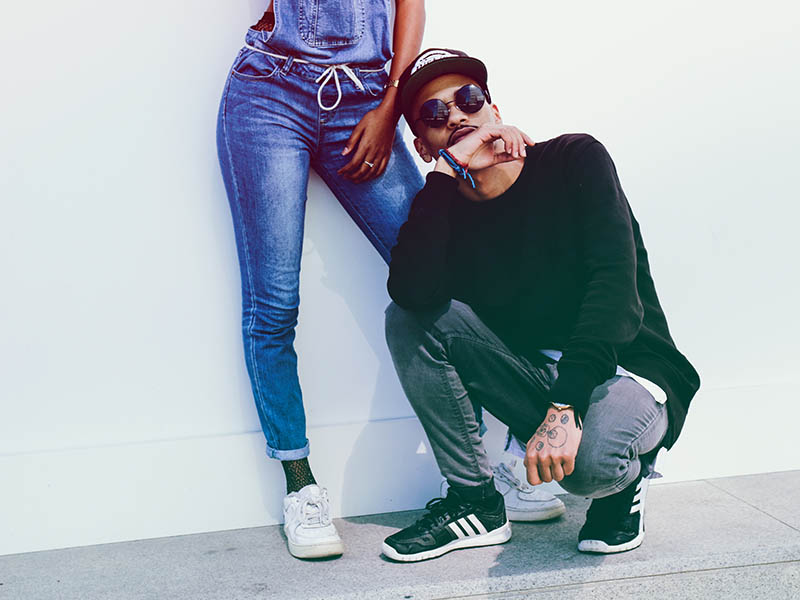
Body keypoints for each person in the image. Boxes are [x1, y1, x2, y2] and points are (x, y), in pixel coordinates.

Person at [380, 49, 701, 562]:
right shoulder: (442, 210)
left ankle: (626, 482)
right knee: (408, 320)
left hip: (623, 368)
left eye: (469, 99)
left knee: (590, 470)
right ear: (424, 146)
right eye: (435, 115)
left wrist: (565, 406)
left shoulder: (574, 159)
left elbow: (614, 289)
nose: (457, 116)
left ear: (494, 109)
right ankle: (475, 502)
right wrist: (444, 177)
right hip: (536, 379)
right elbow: (412, 296)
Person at [215, 0, 427, 559]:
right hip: (268, 92)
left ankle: (499, 460)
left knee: (440, 274)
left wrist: (391, 105)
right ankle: (299, 485)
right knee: (273, 303)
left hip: (366, 96)